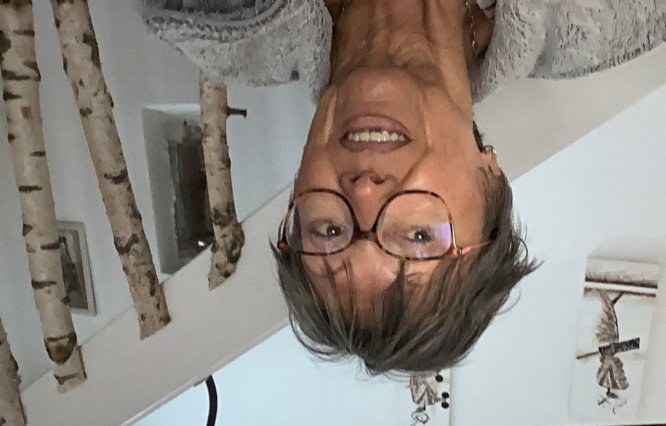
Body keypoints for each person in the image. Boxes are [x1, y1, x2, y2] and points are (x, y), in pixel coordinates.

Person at [145, 0, 666, 374]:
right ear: (490, 179)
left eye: (329, 231)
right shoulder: (609, 16)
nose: (365, 192)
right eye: (419, 237)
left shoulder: (217, 23)